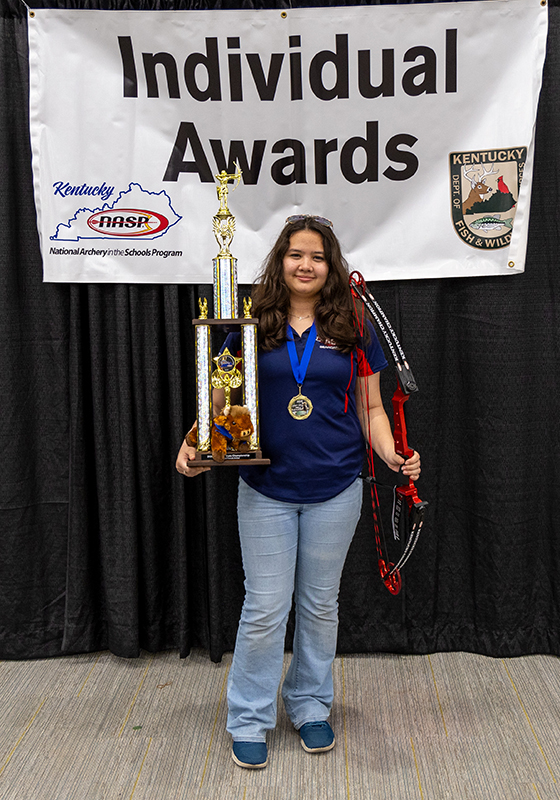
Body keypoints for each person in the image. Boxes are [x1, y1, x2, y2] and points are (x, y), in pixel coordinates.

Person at [175, 214, 421, 769]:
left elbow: (371, 408)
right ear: (280, 261)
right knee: (265, 606)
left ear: (330, 264)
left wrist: (391, 454)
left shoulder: (354, 322)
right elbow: (221, 399)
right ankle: (249, 716)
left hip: (336, 486)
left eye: (317, 256)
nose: (305, 265)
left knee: (319, 604)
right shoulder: (252, 320)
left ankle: (310, 704)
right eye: (295, 255)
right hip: (266, 487)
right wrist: (194, 444)